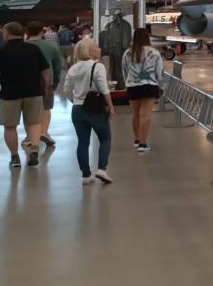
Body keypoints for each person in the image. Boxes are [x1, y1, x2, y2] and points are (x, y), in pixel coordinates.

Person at [0, 22, 50, 168]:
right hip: (33, 92)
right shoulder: (33, 49)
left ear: (7, 34)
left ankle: (15, 157)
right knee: (34, 123)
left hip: (9, 94)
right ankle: (34, 150)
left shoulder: (0, 52)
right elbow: (45, 71)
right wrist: (45, 87)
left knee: (10, 126)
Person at [62, 40, 114, 184]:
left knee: (83, 142)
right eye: (96, 47)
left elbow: (66, 90)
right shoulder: (98, 66)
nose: (99, 48)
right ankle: (102, 169)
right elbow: (104, 89)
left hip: (77, 109)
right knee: (105, 138)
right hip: (95, 108)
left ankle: (86, 175)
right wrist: (111, 107)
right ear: (89, 51)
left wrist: (76, 99)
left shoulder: (73, 68)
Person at [122, 28, 164, 153]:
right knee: (145, 115)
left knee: (135, 114)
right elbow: (159, 72)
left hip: (132, 86)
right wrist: (161, 86)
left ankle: (136, 140)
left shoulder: (128, 53)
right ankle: (143, 143)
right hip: (149, 86)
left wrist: (127, 83)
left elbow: (124, 70)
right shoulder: (154, 52)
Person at [26, 21, 64, 147]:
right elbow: (57, 65)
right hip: (47, 81)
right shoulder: (51, 46)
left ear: (27, 32)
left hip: (28, 82)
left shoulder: (24, 45)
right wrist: (56, 80)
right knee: (46, 108)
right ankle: (44, 132)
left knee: (29, 110)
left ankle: (30, 136)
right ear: (42, 32)